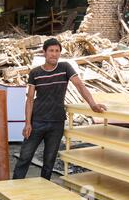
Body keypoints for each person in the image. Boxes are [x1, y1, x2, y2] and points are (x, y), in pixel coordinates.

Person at [13, 38, 107, 180]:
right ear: (44, 53)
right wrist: (27, 123)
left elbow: (80, 86)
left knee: (49, 161)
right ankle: (14, 190)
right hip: (37, 121)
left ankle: (44, 188)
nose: (54, 54)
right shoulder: (35, 73)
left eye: (57, 51)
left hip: (56, 122)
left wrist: (92, 104)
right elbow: (30, 99)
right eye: (51, 51)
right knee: (24, 157)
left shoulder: (65, 68)